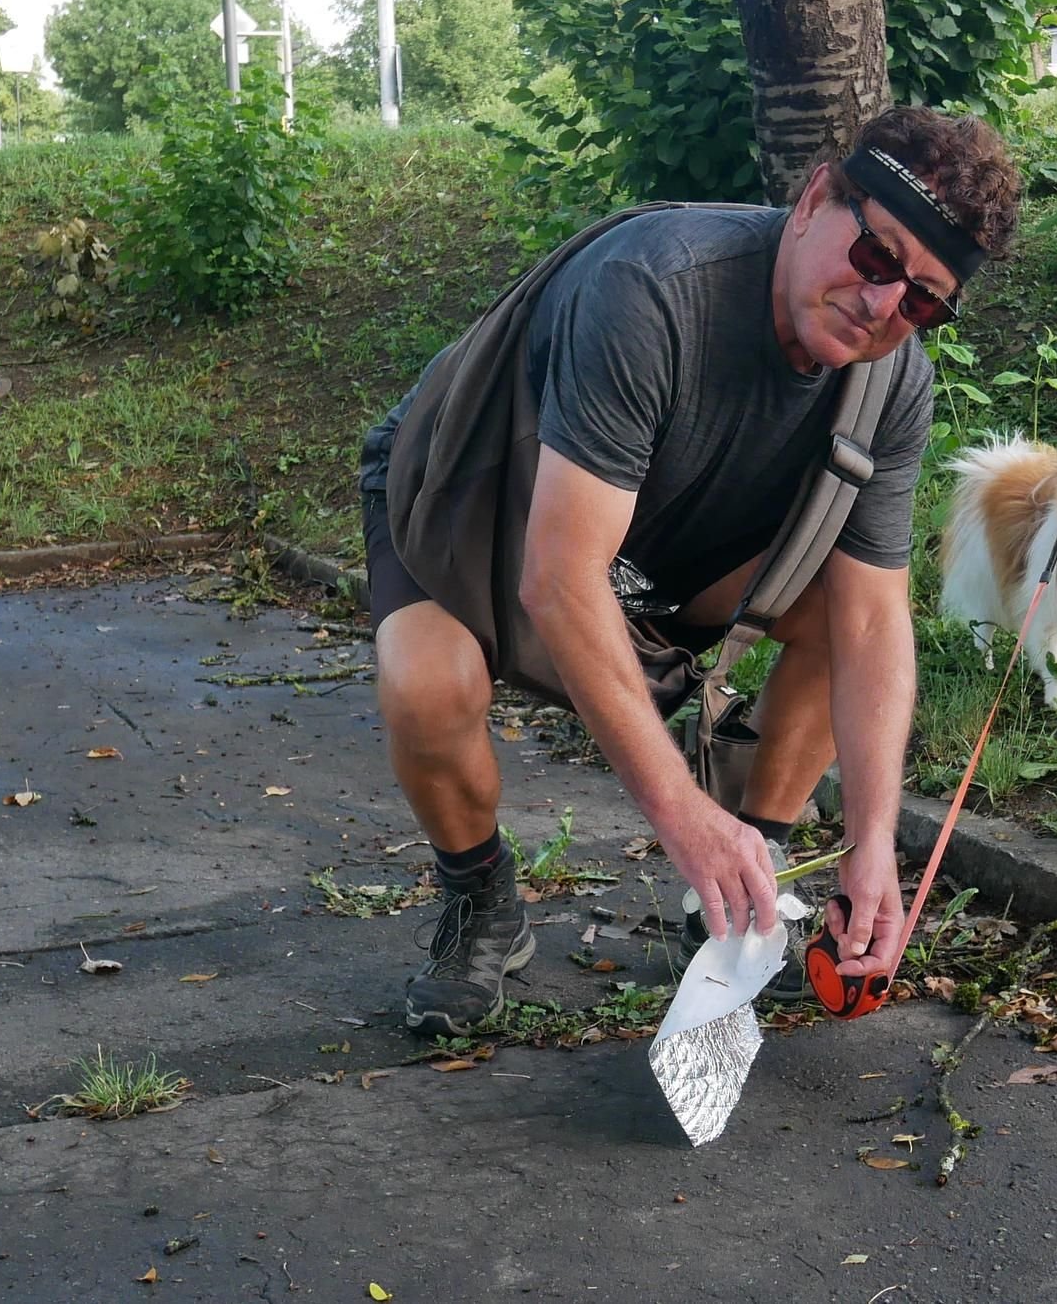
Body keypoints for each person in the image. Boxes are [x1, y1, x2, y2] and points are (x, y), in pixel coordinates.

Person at [357, 105, 1021, 1038]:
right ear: (814, 201)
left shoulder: (891, 383)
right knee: (428, 683)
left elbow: (874, 622)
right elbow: (560, 577)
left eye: (921, 301)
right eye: (878, 256)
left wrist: (872, 844)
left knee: (839, 614)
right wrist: (681, 815)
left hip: (658, 537)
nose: (882, 305)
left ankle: (751, 879)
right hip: (477, 494)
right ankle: (480, 897)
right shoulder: (653, 290)